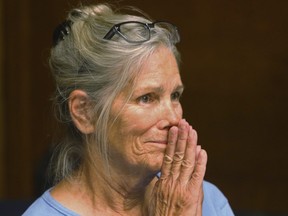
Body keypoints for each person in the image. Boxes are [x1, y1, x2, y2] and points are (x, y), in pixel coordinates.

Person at [23, 3, 234, 216]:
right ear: (85, 112)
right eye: (146, 98)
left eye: (175, 96)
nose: (173, 118)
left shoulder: (203, 199)